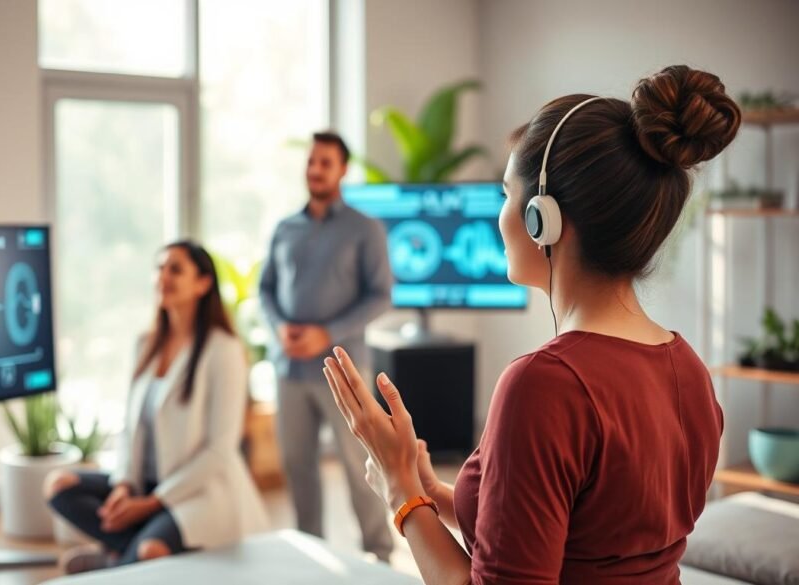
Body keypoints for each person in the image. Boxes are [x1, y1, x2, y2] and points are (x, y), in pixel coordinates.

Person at [321, 65, 736, 584]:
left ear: (544, 217)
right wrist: (427, 488)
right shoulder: (688, 368)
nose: (500, 216)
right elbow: (562, 537)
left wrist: (399, 492)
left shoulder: (545, 386)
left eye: (505, 194)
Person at [46, 240, 269, 574]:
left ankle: (121, 560)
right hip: (143, 482)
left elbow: (219, 451)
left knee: (151, 551)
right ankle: (127, 555)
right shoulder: (145, 344)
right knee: (60, 487)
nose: (163, 276)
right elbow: (130, 428)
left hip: (198, 490)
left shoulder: (223, 350)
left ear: (203, 284)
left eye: (175, 269)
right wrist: (123, 486)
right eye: (159, 268)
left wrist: (151, 504)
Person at [259, 130, 395, 562]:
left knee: (360, 468)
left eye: (325, 162)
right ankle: (309, 551)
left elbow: (381, 296)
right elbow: (265, 291)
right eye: (311, 161)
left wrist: (327, 333)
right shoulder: (285, 228)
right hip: (290, 370)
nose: (315, 169)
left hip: (343, 371)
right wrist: (280, 326)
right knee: (298, 466)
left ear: (342, 169)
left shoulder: (365, 229)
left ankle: (379, 552)